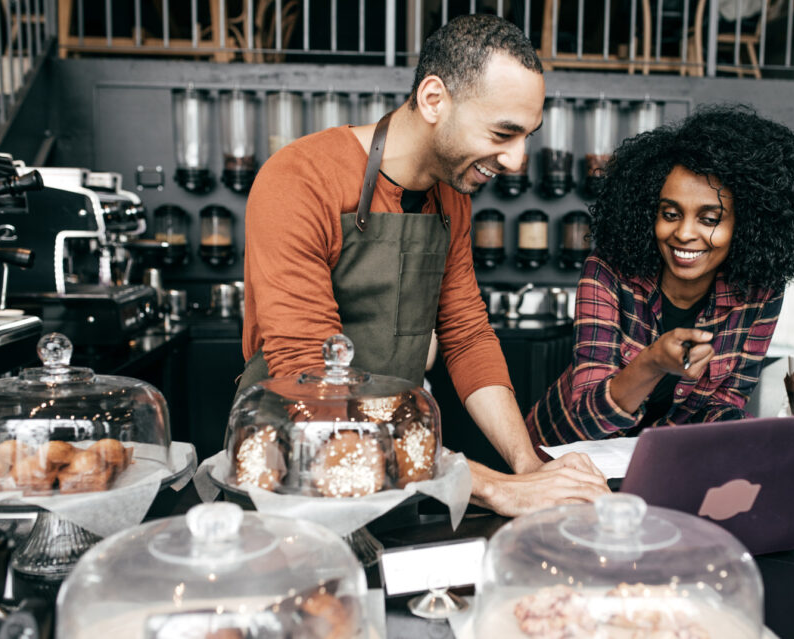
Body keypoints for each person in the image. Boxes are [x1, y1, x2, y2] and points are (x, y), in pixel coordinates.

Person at [241, 14, 608, 515]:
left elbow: (466, 333)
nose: (518, 160)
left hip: (400, 474)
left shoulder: (450, 197)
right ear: (434, 99)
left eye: (527, 136)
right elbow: (313, 383)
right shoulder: (301, 179)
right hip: (294, 474)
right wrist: (492, 486)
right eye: (503, 132)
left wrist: (528, 466)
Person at [526, 104, 794, 449]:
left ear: (748, 225)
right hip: (558, 457)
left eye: (709, 219)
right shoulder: (608, 271)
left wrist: (760, 437)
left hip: (659, 463)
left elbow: (726, 402)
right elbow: (586, 417)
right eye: (670, 213)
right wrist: (654, 362)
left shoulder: (759, 291)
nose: (684, 233)